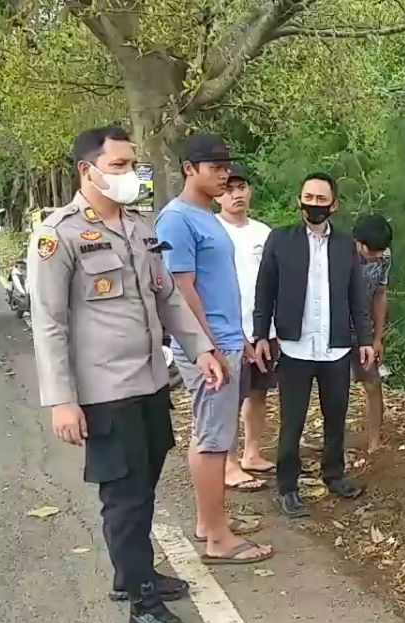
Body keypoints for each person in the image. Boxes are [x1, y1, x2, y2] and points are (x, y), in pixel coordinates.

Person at [28, 125, 227, 623]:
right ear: (86, 170)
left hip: (149, 382)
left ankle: (131, 573)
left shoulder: (140, 228)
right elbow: (47, 322)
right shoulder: (60, 234)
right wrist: (62, 399)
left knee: (147, 479)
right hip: (103, 392)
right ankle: (142, 604)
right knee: (126, 496)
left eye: (131, 166)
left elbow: (168, 299)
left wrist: (202, 348)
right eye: (117, 166)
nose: (129, 175)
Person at [156, 133, 274, 564]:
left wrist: (238, 338)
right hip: (207, 347)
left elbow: (219, 287)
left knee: (211, 435)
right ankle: (219, 540)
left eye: (227, 167)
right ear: (190, 169)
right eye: (215, 167)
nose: (225, 174)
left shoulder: (207, 216)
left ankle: (210, 522)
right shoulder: (177, 220)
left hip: (224, 339)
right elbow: (181, 289)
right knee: (212, 440)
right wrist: (208, 346)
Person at [251, 172, 374, 519]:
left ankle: (333, 474)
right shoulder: (281, 240)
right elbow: (265, 290)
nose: (314, 205)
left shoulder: (345, 246)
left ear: (333, 204)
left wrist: (364, 339)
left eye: (322, 199)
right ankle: (288, 486)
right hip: (294, 347)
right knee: (293, 421)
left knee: (336, 415)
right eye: (309, 197)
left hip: (335, 348)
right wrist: (261, 334)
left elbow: (357, 297)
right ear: (299, 200)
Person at [215, 163, 277, 478]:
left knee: (258, 392)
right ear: (218, 195)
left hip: (263, 328)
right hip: (226, 331)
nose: (236, 194)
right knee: (227, 397)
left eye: (241, 188)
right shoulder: (212, 231)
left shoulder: (263, 232)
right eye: (228, 189)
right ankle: (227, 461)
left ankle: (253, 453)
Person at [352, 213, 393, 453]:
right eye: (371, 251)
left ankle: (375, 443)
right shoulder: (339, 254)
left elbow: (380, 294)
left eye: (381, 251)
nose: (376, 256)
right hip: (332, 328)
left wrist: (378, 338)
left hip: (363, 329)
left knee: (372, 381)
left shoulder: (384, 256)